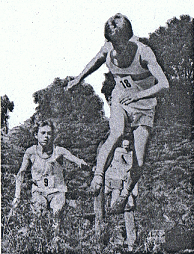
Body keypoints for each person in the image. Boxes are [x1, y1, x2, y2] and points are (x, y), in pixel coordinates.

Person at [67, 13, 169, 211]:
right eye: (113, 43)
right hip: (121, 99)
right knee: (116, 133)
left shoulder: (144, 52)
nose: (117, 48)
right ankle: (98, 178)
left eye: (120, 44)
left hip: (144, 105)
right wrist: (79, 78)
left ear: (129, 38)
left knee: (139, 157)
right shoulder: (108, 48)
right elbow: (97, 60)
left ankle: (125, 194)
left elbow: (164, 84)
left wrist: (139, 97)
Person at [12, 120, 87, 234]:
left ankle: (55, 243)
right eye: (43, 133)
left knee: (56, 218)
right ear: (36, 135)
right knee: (37, 217)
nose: (46, 136)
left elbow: (74, 158)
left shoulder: (58, 151)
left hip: (56, 191)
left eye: (49, 133)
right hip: (39, 191)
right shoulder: (31, 152)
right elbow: (21, 173)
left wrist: (81, 163)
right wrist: (17, 197)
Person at [104, 139, 138, 251]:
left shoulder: (131, 159)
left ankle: (130, 244)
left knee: (128, 214)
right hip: (117, 190)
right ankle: (117, 242)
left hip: (126, 192)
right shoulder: (116, 157)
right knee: (116, 214)